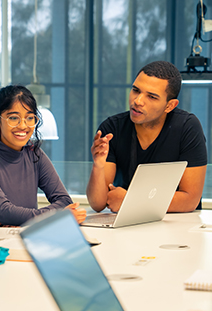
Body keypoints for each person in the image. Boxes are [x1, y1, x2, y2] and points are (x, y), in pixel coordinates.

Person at [0, 85, 86, 240]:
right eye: (14, 118)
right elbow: (5, 212)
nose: (23, 126)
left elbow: (64, 200)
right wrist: (56, 216)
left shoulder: (35, 154)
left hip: (26, 243)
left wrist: (24, 221)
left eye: (29, 118)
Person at [86, 61, 207, 213]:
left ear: (170, 106)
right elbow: (98, 204)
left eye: (151, 97)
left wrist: (130, 200)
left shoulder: (187, 127)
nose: (138, 101)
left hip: (177, 223)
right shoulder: (111, 128)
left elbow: (190, 200)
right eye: (136, 90)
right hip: (129, 222)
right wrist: (98, 165)